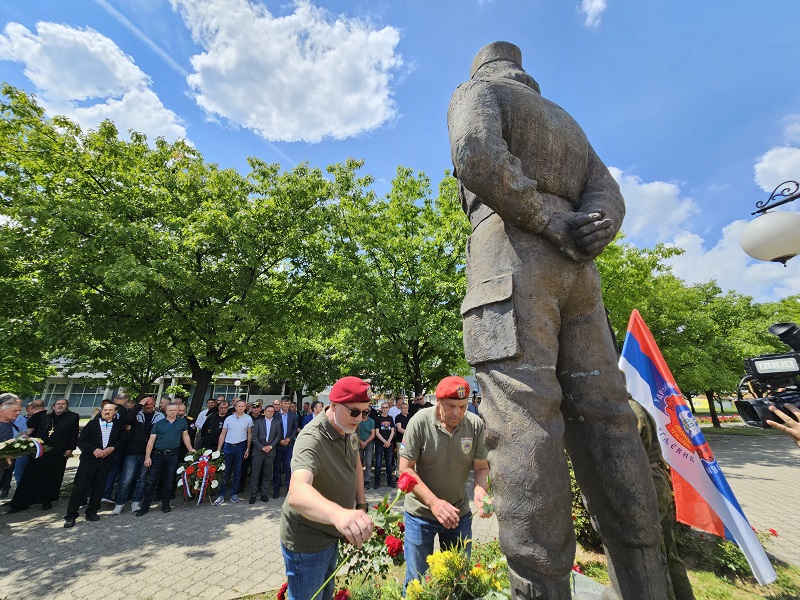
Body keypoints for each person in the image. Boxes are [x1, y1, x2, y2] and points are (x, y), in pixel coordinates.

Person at [448, 41, 669, 599]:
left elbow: (474, 153)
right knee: (609, 421)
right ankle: (647, 582)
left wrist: (547, 220)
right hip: (580, 274)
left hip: (511, 260)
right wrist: (590, 225)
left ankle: (538, 586)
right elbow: (607, 193)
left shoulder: (479, 93)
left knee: (524, 424)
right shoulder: (566, 122)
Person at [280, 376, 374, 600]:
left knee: (326, 595)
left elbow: (356, 464)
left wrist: (360, 505)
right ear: (333, 405)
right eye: (354, 412)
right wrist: (340, 514)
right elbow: (298, 492)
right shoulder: (311, 438)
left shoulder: (348, 427)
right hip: (308, 541)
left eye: (365, 412)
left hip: (333, 532)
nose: (360, 419)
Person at [399, 376, 491, 587]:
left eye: (462, 406)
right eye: (450, 406)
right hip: (421, 515)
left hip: (458, 513)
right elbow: (405, 469)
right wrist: (433, 503)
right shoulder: (419, 422)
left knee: (458, 580)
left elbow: (482, 467)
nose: (457, 413)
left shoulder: (474, 425)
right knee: (417, 583)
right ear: (438, 402)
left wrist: (480, 491)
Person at [7, 398, 79, 513]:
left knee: (51, 477)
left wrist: (71, 448)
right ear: (53, 406)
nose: (60, 406)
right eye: (58, 404)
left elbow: (74, 434)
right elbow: (34, 431)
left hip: (59, 451)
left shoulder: (73, 417)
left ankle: (46, 500)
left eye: (63, 404)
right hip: (41, 450)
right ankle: (22, 502)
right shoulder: (45, 416)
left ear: (67, 406)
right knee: (32, 474)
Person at [64, 403, 123, 528]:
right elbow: (81, 440)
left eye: (110, 410)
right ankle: (71, 515)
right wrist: (93, 450)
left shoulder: (118, 425)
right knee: (80, 486)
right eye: (105, 410)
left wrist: (112, 448)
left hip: (106, 460)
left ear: (115, 412)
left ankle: (92, 511)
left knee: (99, 486)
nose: (107, 412)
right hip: (89, 460)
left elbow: (122, 440)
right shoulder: (92, 424)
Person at [137, 403, 194, 515]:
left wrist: (190, 448)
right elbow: (151, 441)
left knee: (169, 480)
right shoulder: (159, 424)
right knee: (152, 480)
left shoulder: (182, 422)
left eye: (175, 410)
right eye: (171, 410)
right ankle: (145, 507)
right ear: (166, 412)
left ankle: (165, 504)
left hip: (173, 454)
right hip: (158, 454)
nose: (173, 412)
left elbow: (185, 436)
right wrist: (147, 457)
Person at [111, 396, 163, 515]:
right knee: (126, 479)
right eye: (146, 404)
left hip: (148, 452)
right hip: (133, 452)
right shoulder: (136, 414)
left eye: (151, 404)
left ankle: (136, 501)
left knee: (142, 479)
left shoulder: (159, 416)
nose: (149, 406)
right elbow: (128, 420)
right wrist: (139, 406)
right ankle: (120, 503)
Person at [213, 399, 253, 504]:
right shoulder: (228, 419)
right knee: (225, 471)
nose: (240, 408)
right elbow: (223, 434)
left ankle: (234, 494)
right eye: (238, 406)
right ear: (235, 407)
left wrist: (247, 448)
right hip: (228, 446)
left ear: (245, 407)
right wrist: (218, 449)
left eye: (242, 406)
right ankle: (221, 495)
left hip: (241, 446)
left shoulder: (248, 419)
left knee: (238, 471)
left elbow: (249, 434)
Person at [250, 402, 281, 503]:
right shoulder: (258, 422)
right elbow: (254, 437)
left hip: (270, 451)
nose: (270, 413)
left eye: (272, 411)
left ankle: (264, 494)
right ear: (264, 412)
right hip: (258, 451)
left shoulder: (277, 422)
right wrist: (262, 447)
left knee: (267, 474)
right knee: (255, 474)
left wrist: (270, 446)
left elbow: (278, 436)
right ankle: (253, 495)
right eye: (269, 411)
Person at [273, 396, 299, 499]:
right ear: (281, 403)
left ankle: (289, 490)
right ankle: (276, 490)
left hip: (289, 445)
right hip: (278, 445)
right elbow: (273, 429)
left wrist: (289, 438)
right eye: (285, 403)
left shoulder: (293, 415)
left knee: (288, 468)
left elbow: (295, 428)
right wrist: (279, 440)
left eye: (288, 404)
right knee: (276, 468)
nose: (286, 406)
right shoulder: (276, 415)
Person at [0, 395, 22, 490]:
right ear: (3, 411)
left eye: (19, 411)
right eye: (15, 411)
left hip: (5, 465)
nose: (18, 413)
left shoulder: (12, 425)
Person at [373, 402, 395, 489]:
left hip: (388, 444)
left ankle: (390, 481)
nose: (385, 409)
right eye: (383, 408)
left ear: (388, 408)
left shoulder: (390, 418)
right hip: (379, 444)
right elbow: (377, 432)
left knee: (388, 463)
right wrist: (384, 442)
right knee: (378, 464)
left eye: (386, 407)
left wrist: (388, 442)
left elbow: (393, 431)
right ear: (381, 409)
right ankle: (377, 482)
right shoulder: (378, 419)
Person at [356, 408, 376, 488]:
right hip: (359, 443)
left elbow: (373, 434)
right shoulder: (358, 420)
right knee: (358, 463)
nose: (365, 414)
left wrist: (365, 442)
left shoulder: (371, 421)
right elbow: (355, 432)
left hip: (369, 444)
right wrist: (360, 441)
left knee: (368, 463)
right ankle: (359, 480)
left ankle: (367, 481)